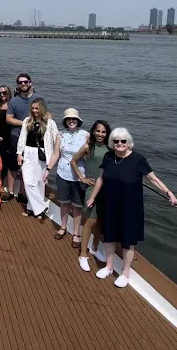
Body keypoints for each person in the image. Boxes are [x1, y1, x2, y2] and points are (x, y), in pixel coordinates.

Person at [87, 128, 176, 287]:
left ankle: (125, 273)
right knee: (109, 237)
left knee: (128, 241)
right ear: (112, 143)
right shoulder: (108, 157)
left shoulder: (138, 159)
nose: (120, 143)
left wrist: (169, 192)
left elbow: (153, 179)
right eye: (116, 141)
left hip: (130, 208)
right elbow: (100, 179)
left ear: (129, 143)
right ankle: (108, 267)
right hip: (110, 205)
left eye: (123, 141)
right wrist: (92, 197)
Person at [71, 120, 111, 271]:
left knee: (99, 222)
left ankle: (94, 248)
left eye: (103, 132)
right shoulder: (88, 147)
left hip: (107, 189)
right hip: (92, 188)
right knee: (90, 221)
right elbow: (73, 161)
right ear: (93, 131)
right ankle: (83, 254)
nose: (100, 134)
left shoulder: (111, 148)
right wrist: (82, 178)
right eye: (98, 131)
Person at [51, 108, 89, 248]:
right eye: (69, 119)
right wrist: (48, 169)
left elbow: (89, 156)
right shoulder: (60, 135)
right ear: (65, 121)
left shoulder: (86, 135)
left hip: (80, 176)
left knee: (78, 206)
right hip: (62, 174)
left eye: (74, 119)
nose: (72, 121)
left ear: (78, 121)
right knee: (64, 203)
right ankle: (63, 227)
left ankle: (76, 233)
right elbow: (56, 154)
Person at [3, 73, 43, 202]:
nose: (23, 84)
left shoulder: (38, 99)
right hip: (16, 135)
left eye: (25, 82)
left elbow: (45, 116)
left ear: (30, 83)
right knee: (13, 165)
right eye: (20, 82)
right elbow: (9, 119)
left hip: (33, 138)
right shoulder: (14, 101)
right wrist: (25, 123)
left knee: (28, 166)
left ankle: (22, 192)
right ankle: (10, 192)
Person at [16, 98, 58, 219]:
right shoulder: (27, 121)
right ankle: (41, 207)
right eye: (33, 108)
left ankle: (32, 208)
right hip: (28, 152)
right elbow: (22, 138)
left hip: (41, 154)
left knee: (39, 182)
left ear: (42, 109)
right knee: (28, 182)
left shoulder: (50, 123)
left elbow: (56, 139)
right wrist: (19, 153)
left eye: (37, 109)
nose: (34, 111)